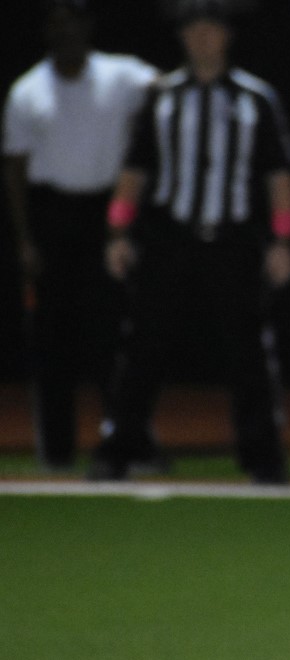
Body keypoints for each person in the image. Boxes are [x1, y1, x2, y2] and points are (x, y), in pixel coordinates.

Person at [89, 0, 290, 483]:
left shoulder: (255, 98)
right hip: (170, 238)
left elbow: (279, 175)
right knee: (142, 348)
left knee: (249, 353)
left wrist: (283, 240)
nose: (203, 37)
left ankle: (263, 457)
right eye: (194, 29)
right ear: (182, 37)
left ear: (227, 36)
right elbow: (135, 169)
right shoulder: (161, 96)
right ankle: (119, 449)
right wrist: (118, 232)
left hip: (233, 241)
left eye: (212, 28)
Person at [2, 0, 159, 471]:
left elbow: (167, 86)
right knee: (51, 338)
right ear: (47, 31)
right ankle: (56, 450)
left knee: (114, 336)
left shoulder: (121, 75)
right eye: (57, 24)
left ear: (88, 28)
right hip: (52, 216)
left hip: (107, 216)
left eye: (74, 23)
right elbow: (14, 169)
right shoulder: (27, 91)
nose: (66, 33)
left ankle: (125, 442)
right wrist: (24, 239)